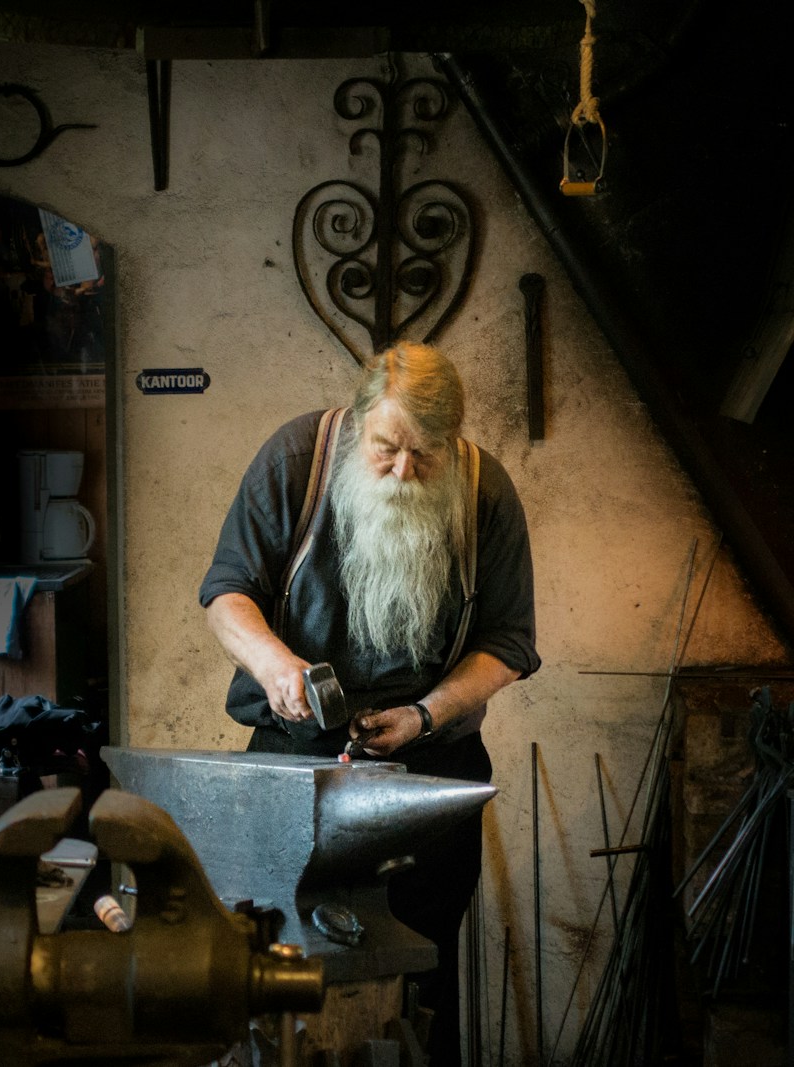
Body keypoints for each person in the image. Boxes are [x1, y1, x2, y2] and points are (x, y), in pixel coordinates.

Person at [198, 341, 539, 1067]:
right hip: (294, 768)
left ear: (454, 441)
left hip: (428, 770)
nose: (404, 471)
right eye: (387, 448)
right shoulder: (296, 460)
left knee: (419, 978)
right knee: (278, 974)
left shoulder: (487, 492)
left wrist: (426, 713)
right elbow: (227, 596)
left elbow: (509, 643)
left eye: (426, 454)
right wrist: (275, 664)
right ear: (358, 426)